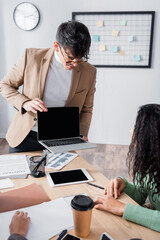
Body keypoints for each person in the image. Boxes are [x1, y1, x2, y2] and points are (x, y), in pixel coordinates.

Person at [0, 20, 96, 153]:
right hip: (25, 135)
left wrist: (82, 133)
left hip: (62, 137)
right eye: (70, 58)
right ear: (57, 46)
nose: (75, 64)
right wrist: (25, 103)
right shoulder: (31, 57)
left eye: (79, 59)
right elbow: (5, 85)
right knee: (19, 174)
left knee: (65, 173)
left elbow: (87, 108)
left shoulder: (89, 71)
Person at [94, 104, 160, 232]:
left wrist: (122, 208)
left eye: (136, 128)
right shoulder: (150, 160)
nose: (131, 131)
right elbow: (141, 194)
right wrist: (123, 183)